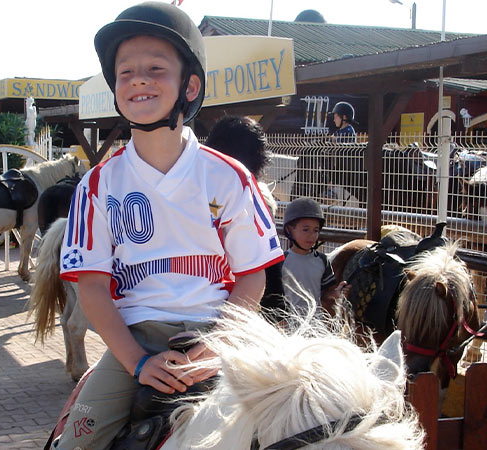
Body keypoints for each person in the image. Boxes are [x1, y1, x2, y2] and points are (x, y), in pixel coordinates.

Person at [56, 3, 284, 449]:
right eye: (126, 72)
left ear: (190, 85)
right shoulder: (97, 186)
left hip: (221, 330)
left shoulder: (230, 177)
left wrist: (219, 341)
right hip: (135, 339)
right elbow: (93, 289)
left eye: (156, 68)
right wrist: (138, 363)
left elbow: (252, 276)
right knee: (75, 443)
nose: (139, 78)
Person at [204, 116, 285, 314]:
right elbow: (268, 262)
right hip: (242, 306)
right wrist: (276, 310)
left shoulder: (196, 190)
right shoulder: (256, 197)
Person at [280, 197, 349, 316]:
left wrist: (337, 293)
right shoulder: (281, 261)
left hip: (315, 324)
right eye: (305, 230)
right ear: (289, 230)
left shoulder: (322, 260)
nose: (312, 235)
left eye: (316, 230)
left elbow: (325, 294)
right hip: (287, 325)